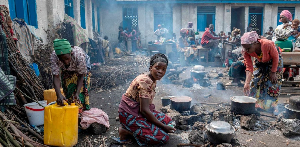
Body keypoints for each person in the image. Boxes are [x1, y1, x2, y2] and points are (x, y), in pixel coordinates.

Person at [116, 53, 176, 145]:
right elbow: (144, 110)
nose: (160, 71)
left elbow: (145, 107)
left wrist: (163, 125)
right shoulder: (145, 81)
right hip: (130, 114)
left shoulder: (152, 79)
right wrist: (163, 127)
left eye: (163, 69)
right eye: (157, 68)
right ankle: (126, 131)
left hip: (137, 111)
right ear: (150, 68)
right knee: (163, 137)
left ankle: (139, 128)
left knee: (168, 120)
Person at [242, 31, 283, 114]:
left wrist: (273, 72)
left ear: (255, 43)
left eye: (248, 48)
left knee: (273, 82)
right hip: (260, 61)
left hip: (274, 61)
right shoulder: (246, 51)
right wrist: (246, 82)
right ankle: (254, 104)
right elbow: (249, 67)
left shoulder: (267, 44)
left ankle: (272, 106)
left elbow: (275, 57)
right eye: (244, 48)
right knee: (254, 81)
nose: (246, 50)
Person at [51, 39, 91, 111]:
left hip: (81, 69)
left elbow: (81, 76)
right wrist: (59, 94)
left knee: (81, 92)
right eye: (62, 60)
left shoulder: (79, 56)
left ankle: (82, 110)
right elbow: (56, 76)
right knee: (69, 89)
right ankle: (70, 109)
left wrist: (77, 93)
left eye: (67, 58)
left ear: (71, 53)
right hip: (67, 70)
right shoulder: (54, 56)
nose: (65, 62)